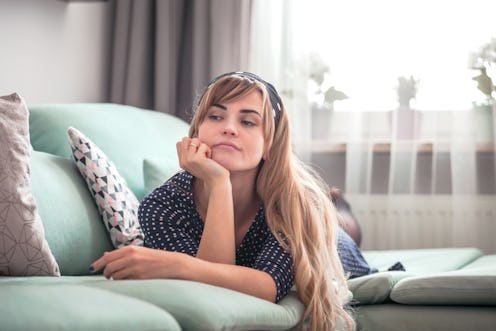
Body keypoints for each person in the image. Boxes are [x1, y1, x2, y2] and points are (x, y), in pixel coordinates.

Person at [90, 72, 356, 330]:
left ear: (270, 145)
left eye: (248, 122)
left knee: (342, 228)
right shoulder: (161, 206)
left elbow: (269, 285)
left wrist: (176, 264)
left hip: (335, 243)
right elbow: (212, 290)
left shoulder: (292, 204)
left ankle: (339, 204)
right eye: (216, 116)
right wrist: (219, 184)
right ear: (195, 134)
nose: (229, 128)